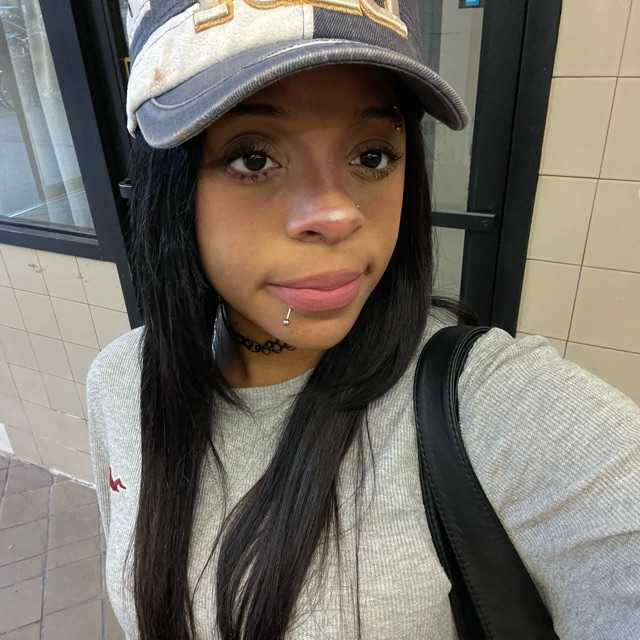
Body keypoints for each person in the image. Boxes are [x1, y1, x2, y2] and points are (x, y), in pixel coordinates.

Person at [86, 2, 640, 639]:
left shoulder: (486, 402)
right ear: (170, 186)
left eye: (372, 156)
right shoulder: (120, 382)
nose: (337, 214)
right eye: (253, 158)